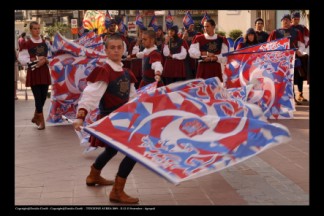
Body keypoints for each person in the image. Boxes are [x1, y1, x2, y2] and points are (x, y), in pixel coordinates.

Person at [73, 34, 139, 204]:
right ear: (106, 50)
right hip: (110, 120)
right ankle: (117, 191)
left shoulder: (127, 72)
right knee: (133, 153)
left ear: (124, 49)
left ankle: (93, 175)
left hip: (123, 119)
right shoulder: (104, 71)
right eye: (112, 47)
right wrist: (80, 117)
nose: (116, 50)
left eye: (119, 47)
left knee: (111, 150)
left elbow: (132, 99)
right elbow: (90, 95)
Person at [18, 21, 51, 130]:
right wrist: (36, 61)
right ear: (31, 30)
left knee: (43, 97)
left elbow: (51, 56)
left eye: (38, 28)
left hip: (44, 72)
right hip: (34, 72)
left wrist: (46, 60)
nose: (37, 30)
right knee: (37, 97)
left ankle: (36, 116)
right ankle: (41, 122)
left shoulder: (45, 42)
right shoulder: (26, 44)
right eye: (35, 29)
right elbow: (22, 59)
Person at [267, 14, 306, 105]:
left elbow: (301, 44)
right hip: (279, 60)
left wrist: (299, 51)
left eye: (287, 20)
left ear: (290, 21)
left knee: (291, 79)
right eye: (284, 20)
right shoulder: (275, 32)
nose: (285, 21)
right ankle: (278, 99)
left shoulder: (296, 31)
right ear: (281, 21)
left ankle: (292, 98)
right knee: (279, 80)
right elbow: (269, 45)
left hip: (292, 59)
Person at [290, 11, 310, 87]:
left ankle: (300, 93)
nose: (296, 20)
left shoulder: (302, 28)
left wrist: (301, 51)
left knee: (301, 73)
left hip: (300, 53)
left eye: (298, 19)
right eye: (295, 19)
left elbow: (306, 40)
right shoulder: (288, 28)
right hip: (290, 54)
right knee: (291, 74)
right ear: (291, 19)